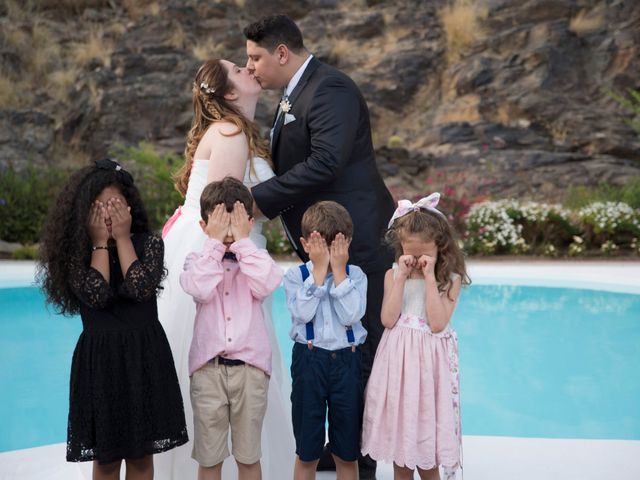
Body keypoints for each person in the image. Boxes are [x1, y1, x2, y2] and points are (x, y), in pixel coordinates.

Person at [244, 15, 395, 477]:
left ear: (282, 53)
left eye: (255, 58)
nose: (250, 68)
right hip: (324, 245)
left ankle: (362, 459)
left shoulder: (331, 89)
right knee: (334, 346)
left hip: (359, 240)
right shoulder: (294, 94)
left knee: (359, 350)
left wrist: (257, 202)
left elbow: (327, 161)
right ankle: (339, 448)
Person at [156, 59, 295, 479]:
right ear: (230, 94)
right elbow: (227, 211)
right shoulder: (232, 134)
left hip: (200, 241)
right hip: (221, 254)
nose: (248, 66)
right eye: (238, 68)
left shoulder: (234, 131)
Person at [37, 159, 188, 480]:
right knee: (105, 460)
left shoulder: (148, 244)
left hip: (143, 357)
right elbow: (98, 294)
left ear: (129, 206)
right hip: (101, 362)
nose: (107, 212)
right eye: (99, 205)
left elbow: (140, 286)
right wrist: (99, 243)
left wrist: (121, 239)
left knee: (141, 457)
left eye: (115, 204)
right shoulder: (76, 254)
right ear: (84, 210)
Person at [360, 193, 470, 480]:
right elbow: (387, 319)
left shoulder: (451, 279)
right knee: (402, 453)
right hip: (397, 362)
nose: (417, 260)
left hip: (428, 367)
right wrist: (399, 278)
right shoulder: (393, 274)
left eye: (425, 254)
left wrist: (431, 278)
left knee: (426, 451)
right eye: (411, 252)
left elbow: (436, 323)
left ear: (440, 247)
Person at [180, 177, 283, 480]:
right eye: (219, 225)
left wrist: (243, 243)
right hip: (208, 370)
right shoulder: (196, 260)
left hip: (250, 370)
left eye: (234, 224)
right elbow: (199, 288)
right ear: (204, 226)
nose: (227, 234)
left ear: (248, 223)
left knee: (248, 456)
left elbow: (267, 283)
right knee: (209, 457)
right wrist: (214, 245)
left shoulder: (256, 260)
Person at [283, 201, 367, 480]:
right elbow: (302, 313)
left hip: (347, 362)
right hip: (309, 362)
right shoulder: (296, 276)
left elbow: (352, 315)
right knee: (307, 449)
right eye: (322, 247)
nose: (329, 255)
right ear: (306, 244)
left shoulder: (355, 276)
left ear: (348, 244)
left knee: (347, 450)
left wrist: (339, 273)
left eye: (336, 247)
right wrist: (318, 274)